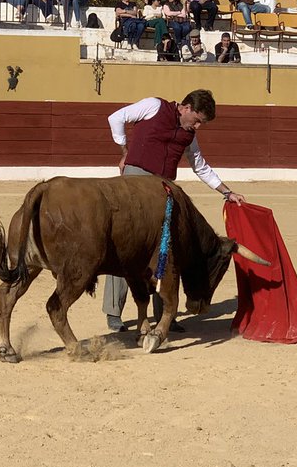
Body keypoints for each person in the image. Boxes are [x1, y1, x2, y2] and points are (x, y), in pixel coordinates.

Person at [101, 89, 246, 333]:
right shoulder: (154, 106)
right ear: (186, 107)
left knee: (166, 251)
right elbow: (116, 118)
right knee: (125, 246)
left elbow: (201, 167)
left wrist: (226, 192)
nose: (198, 126)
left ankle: (165, 314)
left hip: (162, 191)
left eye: (202, 123)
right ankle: (114, 312)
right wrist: (124, 152)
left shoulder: (190, 136)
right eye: (197, 120)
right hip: (133, 185)